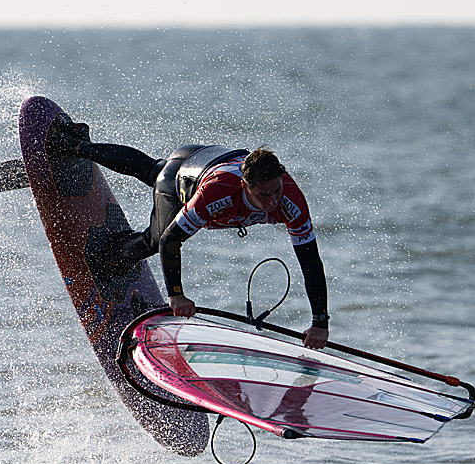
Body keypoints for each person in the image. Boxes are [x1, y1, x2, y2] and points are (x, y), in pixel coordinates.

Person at [50, 115, 330, 349]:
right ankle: (111, 253)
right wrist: (176, 294)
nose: (272, 201)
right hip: (185, 175)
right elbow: (172, 240)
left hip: (201, 159)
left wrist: (319, 323)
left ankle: (79, 145)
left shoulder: (292, 201)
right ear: (245, 187)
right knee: (157, 237)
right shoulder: (218, 194)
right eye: (263, 195)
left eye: (276, 190)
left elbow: (311, 262)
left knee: (150, 169)